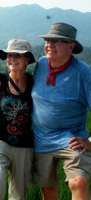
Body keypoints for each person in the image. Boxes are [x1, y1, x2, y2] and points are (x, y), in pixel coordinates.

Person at [31, 22, 91, 200]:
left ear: (70, 46)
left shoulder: (83, 73)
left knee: (78, 182)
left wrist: (90, 141)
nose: (49, 44)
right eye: (48, 40)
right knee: (48, 189)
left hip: (71, 139)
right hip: (41, 139)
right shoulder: (41, 65)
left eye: (56, 41)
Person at [0, 39, 35, 200]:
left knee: (19, 193)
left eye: (18, 56)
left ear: (27, 60)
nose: (12, 59)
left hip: (24, 144)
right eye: (10, 55)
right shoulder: (0, 81)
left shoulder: (33, 82)